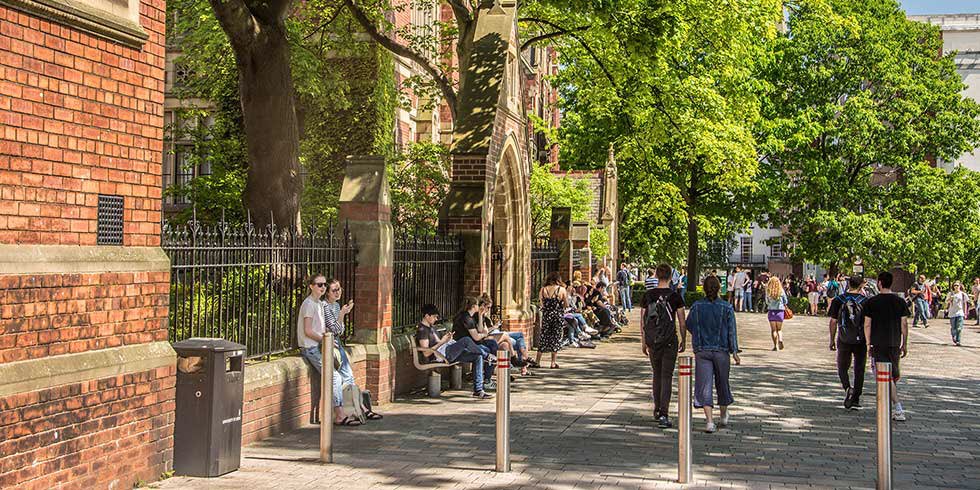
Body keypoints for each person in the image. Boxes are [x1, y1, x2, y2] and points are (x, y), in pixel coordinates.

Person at [685, 275, 740, 433]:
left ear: (704, 288)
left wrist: (699, 335)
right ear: (719, 288)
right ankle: (723, 414)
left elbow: (689, 325)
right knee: (722, 383)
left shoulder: (697, 306)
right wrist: (734, 351)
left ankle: (709, 421)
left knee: (704, 385)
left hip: (702, 351)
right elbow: (731, 332)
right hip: (722, 351)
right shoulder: (726, 307)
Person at [640, 264, 686, 429]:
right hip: (669, 340)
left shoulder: (648, 295)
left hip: (653, 340)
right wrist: (684, 338)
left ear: (657, 276)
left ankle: (657, 408)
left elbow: (643, 320)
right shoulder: (675, 297)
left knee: (656, 374)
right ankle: (664, 414)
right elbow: (681, 321)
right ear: (670, 276)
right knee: (667, 376)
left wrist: (644, 340)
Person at [415, 304, 492, 399]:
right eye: (434, 316)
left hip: (446, 351)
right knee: (466, 340)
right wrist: (442, 341)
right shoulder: (423, 330)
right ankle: (487, 356)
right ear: (427, 316)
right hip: (441, 356)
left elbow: (437, 344)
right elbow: (426, 353)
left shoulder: (431, 328)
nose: (436, 319)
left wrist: (446, 340)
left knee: (477, 357)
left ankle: (478, 390)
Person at [863, 271, 910, 421]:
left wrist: (868, 343)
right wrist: (905, 343)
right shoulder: (900, 301)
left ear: (880, 283)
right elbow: (904, 324)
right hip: (894, 342)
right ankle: (886, 405)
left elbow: (867, 324)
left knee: (885, 376)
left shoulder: (872, 302)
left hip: (878, 343)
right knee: (893, 376)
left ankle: (897, 407)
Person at [828, 276, 869, 410]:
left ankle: (847, 387)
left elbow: (833, 321)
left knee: (842, 366)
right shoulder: (865, 301)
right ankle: (856, 398)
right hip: (860, 338)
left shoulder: (838, 300)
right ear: (861, 286)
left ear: (848, 284)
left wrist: (832, 339)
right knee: (859, 368)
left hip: (844, 337)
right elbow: (869, 323)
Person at [477, 295, 532, 374]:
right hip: (484, 339)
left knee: (505, 345)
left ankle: (506, 373)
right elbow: (481, 331)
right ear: (482, 306)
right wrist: (482, 317)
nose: (489, 310)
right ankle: (516, 359)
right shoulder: (478, 315)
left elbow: (484, 330)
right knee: (507, 335)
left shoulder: (483, 316)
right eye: (488, 307)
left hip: (489, 336)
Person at [536, 272, 567, 368]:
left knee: (544, 337)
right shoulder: (561, 290)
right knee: (556, 337)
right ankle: (553, 362)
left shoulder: (543, 290)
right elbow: (566, 304)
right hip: (557, 316)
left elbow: (541, 304)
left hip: (547, 316)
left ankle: (537, 361)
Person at [765, 276, 789, 351]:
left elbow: (767, 302)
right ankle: (780, 340)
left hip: (771, 311)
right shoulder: (781, 291)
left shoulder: (768, 291)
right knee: (779, 329)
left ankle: (775, 346)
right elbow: (785, 301)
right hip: (780, 311)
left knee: (773, 330)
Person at [945, 281, 970, 346]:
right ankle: (954, 336)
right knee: (953, 328)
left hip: (960, 312)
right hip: (952, 313)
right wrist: (950, 299)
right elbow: (946, 302)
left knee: (959, 327)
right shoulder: (950, 294)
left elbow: (965, 303)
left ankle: (958, 340)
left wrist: (965, 313)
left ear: (960, 286)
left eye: (957, 285)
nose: (956, 287)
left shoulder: (963, 294)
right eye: (955, 285)